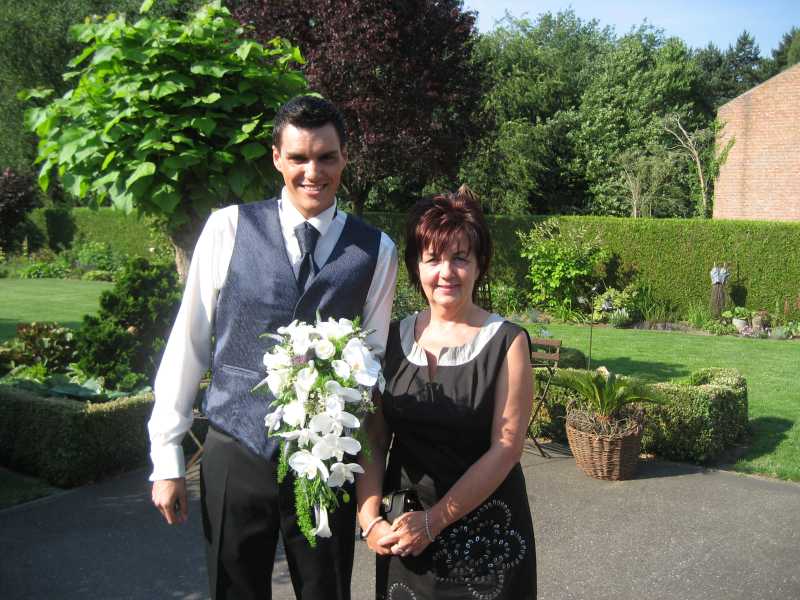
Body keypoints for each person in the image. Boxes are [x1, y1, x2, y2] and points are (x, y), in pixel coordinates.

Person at [148, 95, 398, 600]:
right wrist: (167, 454)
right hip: (236, 447)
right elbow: (188, 342)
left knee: (326, 591)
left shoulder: (377, 250)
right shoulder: (228, 228)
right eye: (299, 157)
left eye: (326, 157)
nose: (313, 172)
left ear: (345, 158)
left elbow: (370, 366)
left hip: (325, 460)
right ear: (277, 158)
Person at [356, 185, 537, 600]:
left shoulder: (507, 342)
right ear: (416, 266)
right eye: (433, 259)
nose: (446, 272)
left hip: (486, 540)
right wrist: (369, 519)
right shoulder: (390, 339)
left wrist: (434, 521)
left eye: (460, 258)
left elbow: (507, 448)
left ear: (479, 264)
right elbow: (374, 438)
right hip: (405, 534)